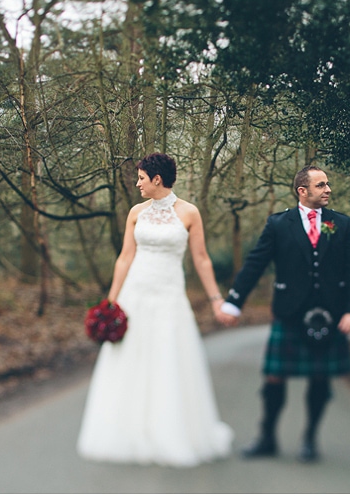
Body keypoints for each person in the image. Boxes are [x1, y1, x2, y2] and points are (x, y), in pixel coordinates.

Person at [77, 153, 233, 467]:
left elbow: (201, 258)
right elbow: (124, 257)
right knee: (131, 360)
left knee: (167, 360)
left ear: (157, 179)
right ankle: (130, 431)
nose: (138, 184)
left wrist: (216, 298)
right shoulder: (136, 213)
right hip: (136, 295)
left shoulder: (189, 212)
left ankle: (171, 433)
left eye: (141, 178)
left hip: (169, 296)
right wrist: (111, 301)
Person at [213, 165, 350, 463]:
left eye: (328, 184)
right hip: (289, 313)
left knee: (320, 379)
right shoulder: (278, 224)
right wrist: (233, 302)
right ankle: (267, 437)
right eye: (321, 185)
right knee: (274, 377)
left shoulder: (341, 224)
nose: (328, 189)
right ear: (302, 190)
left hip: (330, 314)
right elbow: (255, 264)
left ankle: (309, 438)